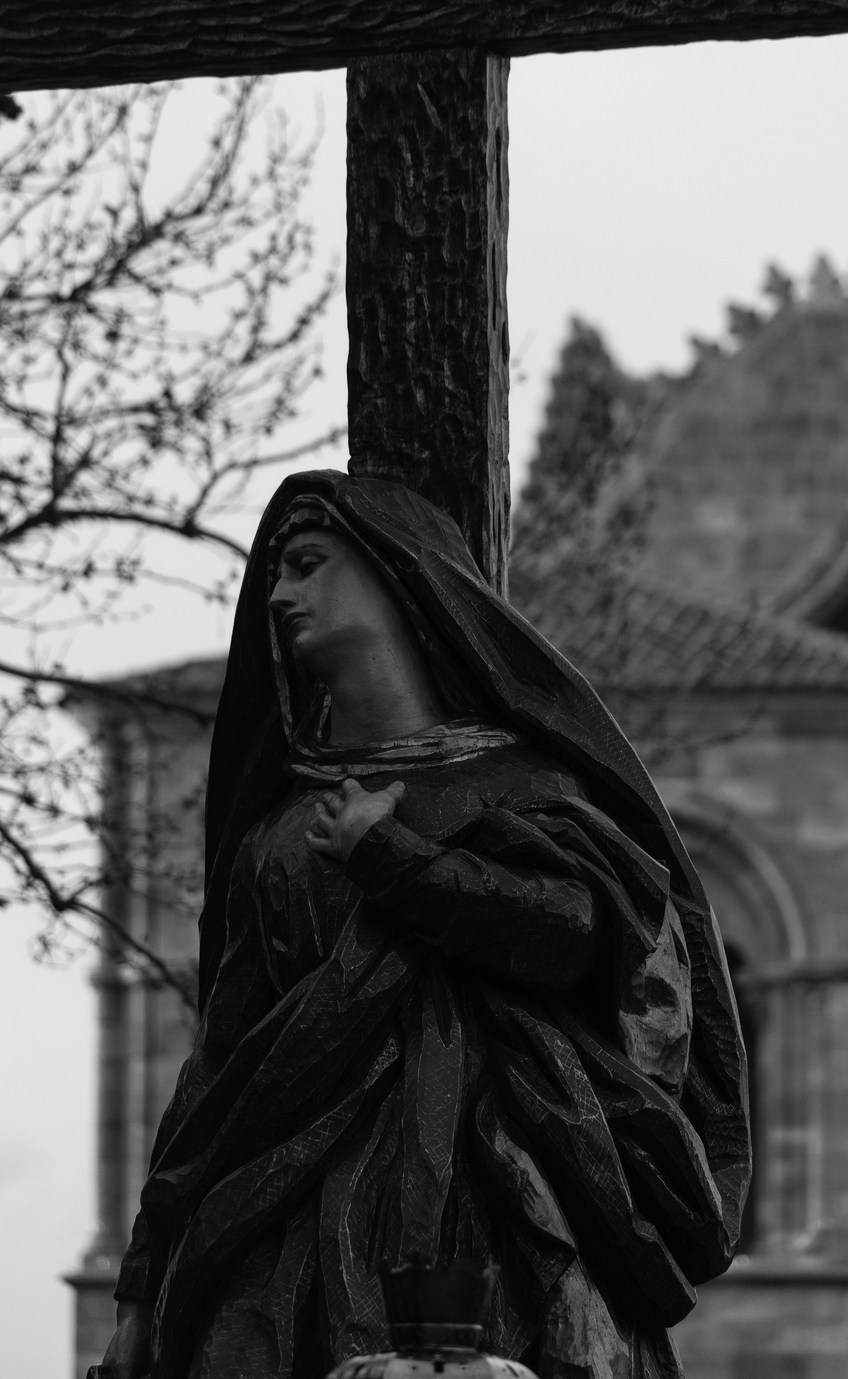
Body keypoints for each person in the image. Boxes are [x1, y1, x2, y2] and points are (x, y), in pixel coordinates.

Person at [95, 471, 749, 1379]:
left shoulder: (527, 792)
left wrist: (397, 861)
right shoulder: (281, 835)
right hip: (278, 1219)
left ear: (398, 575)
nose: (280, 595)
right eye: (280, 573)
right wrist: (142, 1284)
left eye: (308, 565)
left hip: (498, 1205)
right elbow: (221, 1062)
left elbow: (575, 937)